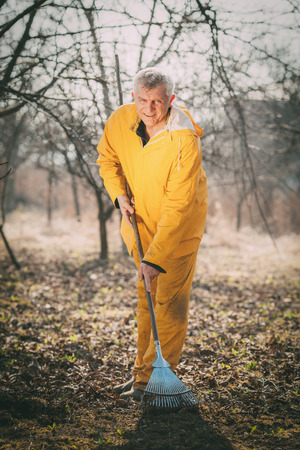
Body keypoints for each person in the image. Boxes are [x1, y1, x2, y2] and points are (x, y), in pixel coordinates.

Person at [97, 67, 207, 401]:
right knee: (146, 301)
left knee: (169, 305)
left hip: (179, 233)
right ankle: (141, 376)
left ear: (170, 100)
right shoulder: (120, 120)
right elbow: (107, 159)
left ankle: (158, 378)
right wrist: (118, 194)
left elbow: (178, 207)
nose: (149, 108)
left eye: (157, 101)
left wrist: (155, 259)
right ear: (134, 97)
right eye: (143, 100)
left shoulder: (184, 139)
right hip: (139, 227)